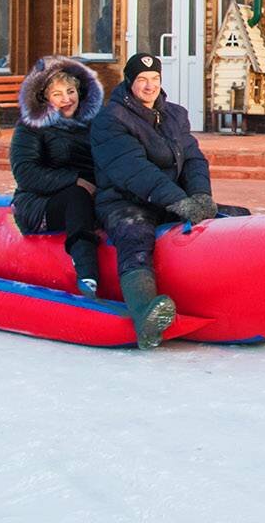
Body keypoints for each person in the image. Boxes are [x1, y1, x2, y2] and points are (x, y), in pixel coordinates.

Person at [90, 53, 218, 350]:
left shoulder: (175, 114)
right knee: (135, 233)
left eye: (155, 80)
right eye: (142, 80)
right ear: (129, 82)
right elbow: (133, 170)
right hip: (124, 200)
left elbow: (193, 159)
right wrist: (177, 201)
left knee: (225, 217)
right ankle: (145, 314)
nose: (149, 87)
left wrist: (200, 196)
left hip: (167, 200)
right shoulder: (110, 119)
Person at [8, 56, 105, 299]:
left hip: (90, 191)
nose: (67, 99)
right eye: (58, 94)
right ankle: (87, 273)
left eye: (71, 91)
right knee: (77, 198)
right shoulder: (31, 128)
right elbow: (26, 173)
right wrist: (75, 180)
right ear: (44, 97)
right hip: (41, 201)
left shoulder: (94, 124)